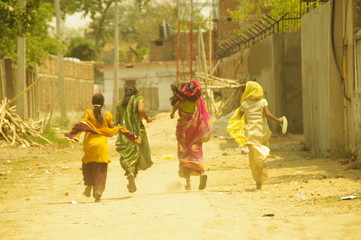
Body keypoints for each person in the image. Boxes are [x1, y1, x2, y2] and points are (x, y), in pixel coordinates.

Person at [65, 93, 139, 202]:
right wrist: (119, 128)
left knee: (88, 164)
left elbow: (81, 124)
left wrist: (71, 133)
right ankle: (98, 193)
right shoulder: (107, 114)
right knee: (101, 169)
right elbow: (111, 127)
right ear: (103, 103)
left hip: (89, 144)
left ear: (92, 102)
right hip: (101, 145)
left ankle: (89, 185)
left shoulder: (88, 113)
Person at [227, 81, 285, 190]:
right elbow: (267, 115)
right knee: (263, 149)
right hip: (263, 129)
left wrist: (236, 130)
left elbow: (238, 118)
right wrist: (278, 120)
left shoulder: (244, 103)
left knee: (253, 157)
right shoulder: (263, 101)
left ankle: (258, 179)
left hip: (251, 131)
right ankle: (260, 175)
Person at [170, 80, 212, 190]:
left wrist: (172, 113)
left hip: (183, 131)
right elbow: (205, 117)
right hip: (196, 131)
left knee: (184, 152)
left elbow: (175, 107)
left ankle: (188, 184)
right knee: (196, 150)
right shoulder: (200, 102)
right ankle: (202, 173)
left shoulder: (182, 101)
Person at [115, 86, 154, 193]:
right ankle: (132, 175)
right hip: (137, 131)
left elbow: (117, 121)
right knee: (138, 153)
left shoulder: (119, 104)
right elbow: (140, 110)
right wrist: (147, 118)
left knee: (127, 155)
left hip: (125, 134)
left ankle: (130, 174)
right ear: (136, 92)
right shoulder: (138, 98)